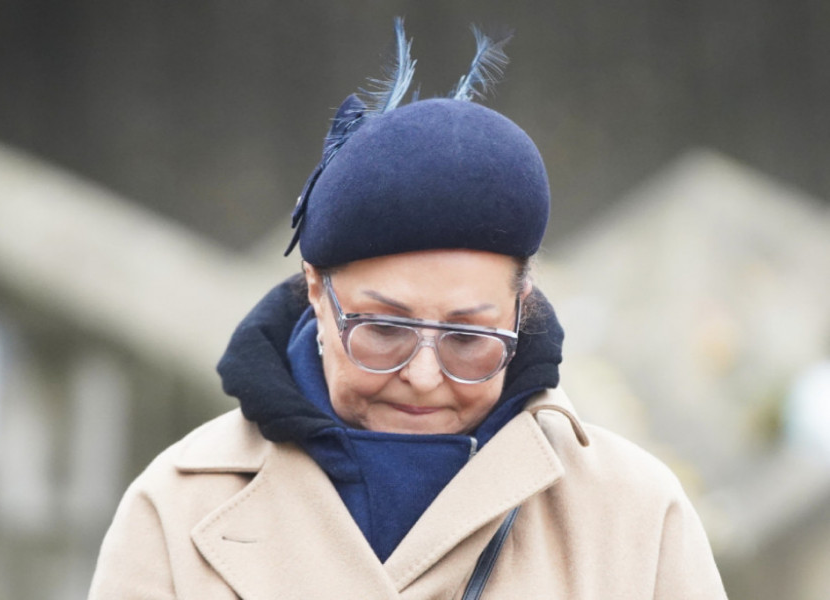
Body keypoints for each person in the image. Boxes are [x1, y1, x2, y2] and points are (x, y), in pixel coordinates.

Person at [89, 20, 727, 599]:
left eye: (468, 338)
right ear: (315, 291)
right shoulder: (174, 507)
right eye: (383, 329)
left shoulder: (636, 515)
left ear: (521, 309)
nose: (423, 377)